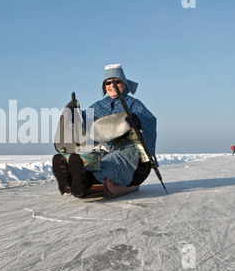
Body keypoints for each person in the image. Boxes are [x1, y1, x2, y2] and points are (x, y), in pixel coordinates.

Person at [53, 64, 157, 198]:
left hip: (127, 149)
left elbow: (150, 119)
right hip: (102, 148)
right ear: (104, 86)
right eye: (108, 82)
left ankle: (82, 182)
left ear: (124, 84)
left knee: (111, 162)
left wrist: (139, 119)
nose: (111, 85)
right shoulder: (98, 106)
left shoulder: (133, 104)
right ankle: (71, 180)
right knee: (89, 159)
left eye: (116, 81)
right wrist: (74, 115)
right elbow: (85, 121)